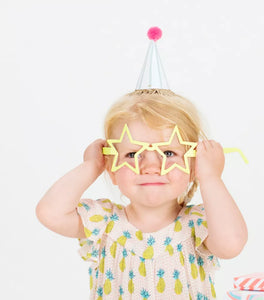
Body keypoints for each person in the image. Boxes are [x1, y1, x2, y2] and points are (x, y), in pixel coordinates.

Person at [36, 28, 248, 300]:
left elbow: (231, 244)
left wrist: (211, 179)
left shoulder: (197, 224)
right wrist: (90, 166)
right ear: (111, 167)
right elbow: (49, 213)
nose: (151, 166)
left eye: (169, 153)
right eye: (133, 155)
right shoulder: (104, 223)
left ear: (193, 165)